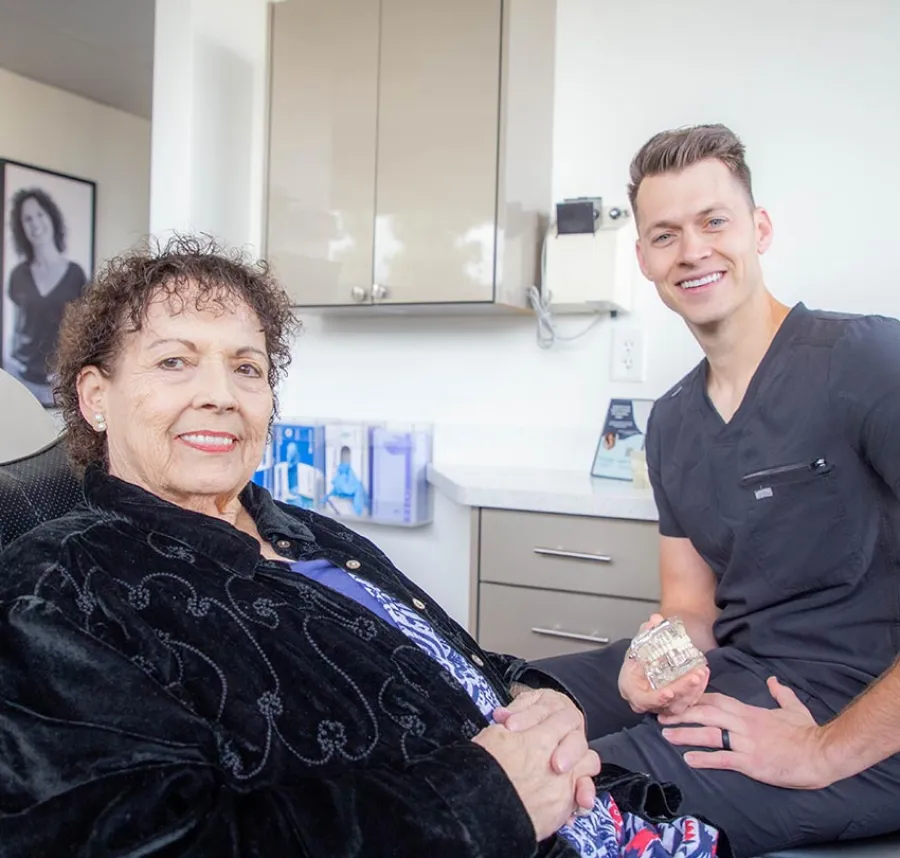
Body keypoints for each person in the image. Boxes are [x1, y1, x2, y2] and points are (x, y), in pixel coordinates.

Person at [0, 236, 723, 858]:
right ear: (96, 397)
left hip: (619, 821)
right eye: (174, 362)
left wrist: (538, 701)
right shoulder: (63, 591)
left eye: (247, 367)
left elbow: (448, 663)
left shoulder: (302, 529)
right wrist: (488, 798)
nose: (221, 394)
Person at [508, 125, 900, 857]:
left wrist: (823, 752)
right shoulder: (675, 423)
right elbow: (691, 612)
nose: (692, 250)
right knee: (500, 701)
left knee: (577, 792)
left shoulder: (868, 363)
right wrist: (652, 663)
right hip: (747, 670)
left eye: (713, 221)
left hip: (863, 713)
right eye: (666, 234)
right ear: (644, 258)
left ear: (759, 228)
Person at [4, 187, 87, 401]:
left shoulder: (76, 274)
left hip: (60, 387)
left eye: (39, 214)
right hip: (21, 380)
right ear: (22, 228)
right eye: (27, 219)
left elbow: (82, 330)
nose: (35, 223)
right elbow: (15, 328)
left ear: (51, 217)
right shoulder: (18, 275)